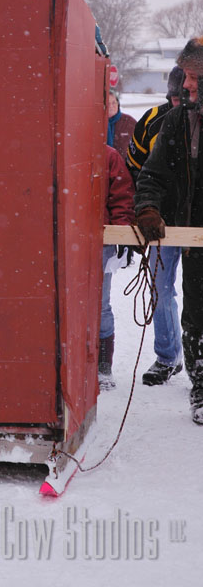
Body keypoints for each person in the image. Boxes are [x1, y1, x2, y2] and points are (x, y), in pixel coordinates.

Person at [135, 37, 203, 424]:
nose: (186, 84)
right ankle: (202, 389)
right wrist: (147, 207)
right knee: (196, 317)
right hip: (186, 237)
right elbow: (153, 174)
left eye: (194, 76)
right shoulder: (177, 121)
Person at [126, 66, 185, 386]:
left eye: (185, 96)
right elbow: (136, 171)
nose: (179, 103)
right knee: (160, 291)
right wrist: (146, 210)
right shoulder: (152, 120)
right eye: (174, 97)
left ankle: (197, 361)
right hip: (161, 224)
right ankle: (167, 357)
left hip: (198, 223)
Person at [99, 144, 136, 390]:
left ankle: (103, 366)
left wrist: (121, 236)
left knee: (99, 305)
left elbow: (122, 196)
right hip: (61, 241)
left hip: (100, 241)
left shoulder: (108, 156)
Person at [108, 89, 136, 159]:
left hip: (124, 167)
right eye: (108, 103)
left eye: (114, 102)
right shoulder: (97, 122)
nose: (111, 106)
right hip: (102, 166)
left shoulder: (129, 122)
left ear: (118, 104)